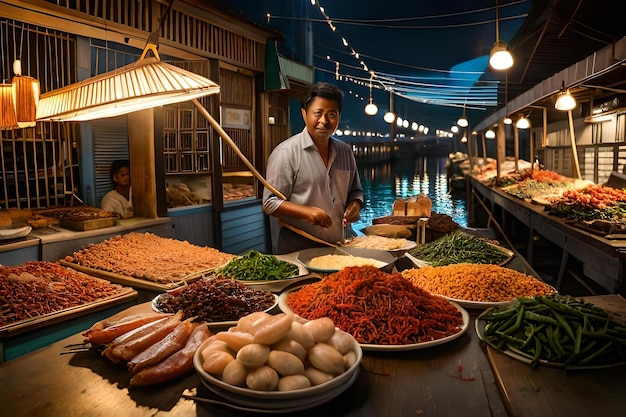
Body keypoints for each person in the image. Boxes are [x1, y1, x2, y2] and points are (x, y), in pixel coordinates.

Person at [262, 82, 364, 254]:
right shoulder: (286, 152)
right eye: (318, 113)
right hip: (297, 246)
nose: (324, 121)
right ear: (304, 113)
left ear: (338, 116)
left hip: (337, 246)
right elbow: (270, 203)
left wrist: (356, 204)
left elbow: (356, 190)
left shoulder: (345, 151)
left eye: (331, 114)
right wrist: (307, 212)